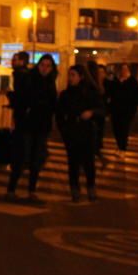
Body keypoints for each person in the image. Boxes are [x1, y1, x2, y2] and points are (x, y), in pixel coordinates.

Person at [5, 53, 58, 203]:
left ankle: (32, 191)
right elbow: (21, 98)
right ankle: (11, 189)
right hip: (27, 124)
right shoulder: (29, 79)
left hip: (42, 125)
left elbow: (53, 103)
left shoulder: (51, 82)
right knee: (22, 156)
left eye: (48, 66)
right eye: (42, 65)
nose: (45, 69)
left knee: (37, 159)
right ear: (38, 65)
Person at [56, 64, 104, 202]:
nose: (70, 78)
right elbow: (59, 115)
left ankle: (91, 187)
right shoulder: (65, 95)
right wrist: (64, 131)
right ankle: (74, 188)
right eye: (69, 75)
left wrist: (91, 113)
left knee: (89, 162)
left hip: (87, 131)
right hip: (71, 131)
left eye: (73, 75)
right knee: (73, 162)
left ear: (81, 76)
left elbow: (101, 110)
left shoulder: (90, 93)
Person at [108, 63, 138, 159]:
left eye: (125, 69)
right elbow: (110, 93)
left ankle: (123, 148)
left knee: (124, 129)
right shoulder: (115, 81)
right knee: (116, 129)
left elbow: (137, 95)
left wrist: (136, 106)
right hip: (115, 110)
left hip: (127, 110)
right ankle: (119, 146)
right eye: (122, 69)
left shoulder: (132, 81)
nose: (123, 71)